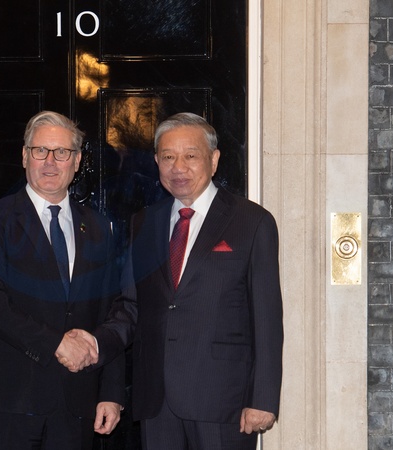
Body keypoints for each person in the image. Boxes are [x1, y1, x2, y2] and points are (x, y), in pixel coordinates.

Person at [60, 112, 284, 449]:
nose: (178, 167)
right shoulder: (144, 223)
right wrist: (96, 343)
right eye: (167, 157)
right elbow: (131, 307)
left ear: (214, 159)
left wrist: (263, 399)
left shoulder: (252, 222)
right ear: (156, 162)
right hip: (157, 401)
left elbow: (267, 318)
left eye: (190, 156)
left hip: (224, 402)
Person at [0, 110, 124, 450]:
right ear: (25, 156)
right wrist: (55, 343)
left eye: (61, 152)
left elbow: (112, 313)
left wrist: (111, 393)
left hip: (76, 404)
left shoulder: (99, 228)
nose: (50, 162)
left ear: (76, 161)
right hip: (8, 401)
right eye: (40, 151)